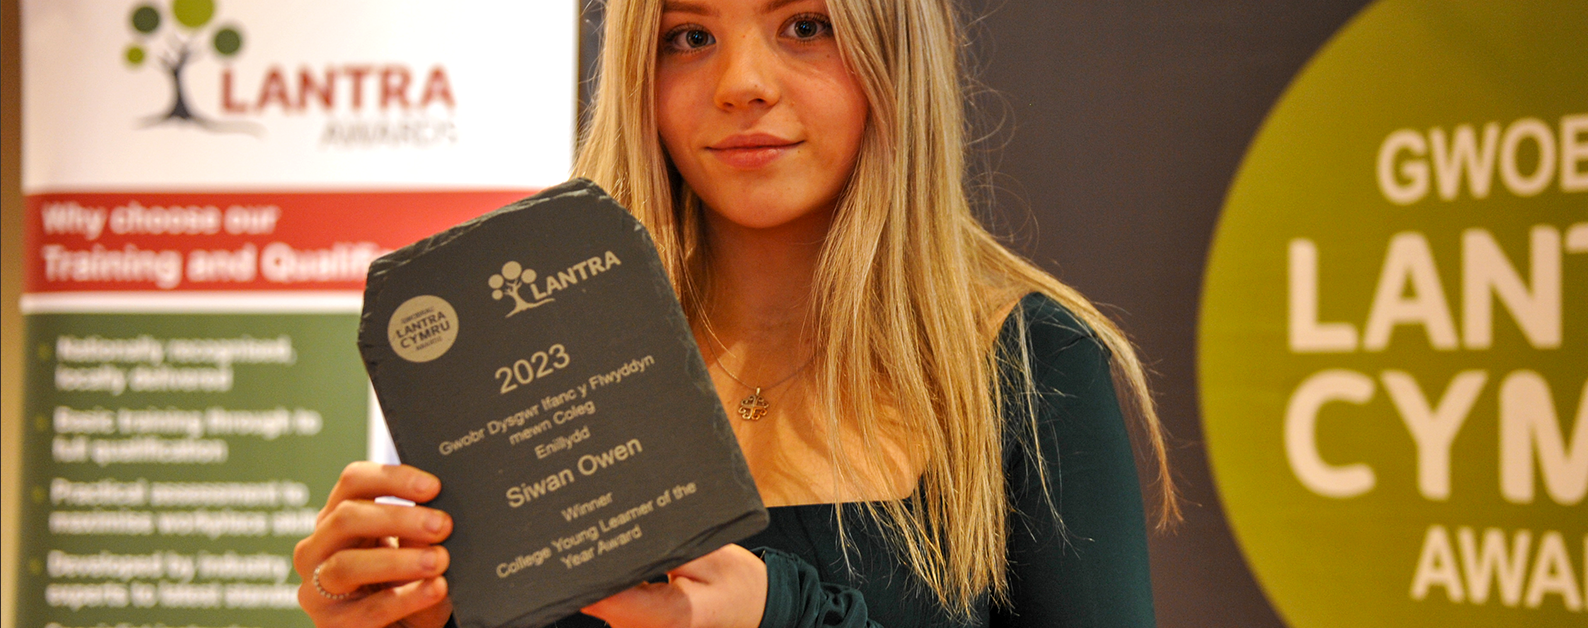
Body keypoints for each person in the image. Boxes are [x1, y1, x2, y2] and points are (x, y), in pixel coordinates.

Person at [293, 0, 1179, 626]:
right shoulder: (541, 358)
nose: (740, 83)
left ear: (893, 49)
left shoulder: (1026, 361)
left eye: (805, 27)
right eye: (688, 35)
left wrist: (782, 614)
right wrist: (405, 616)